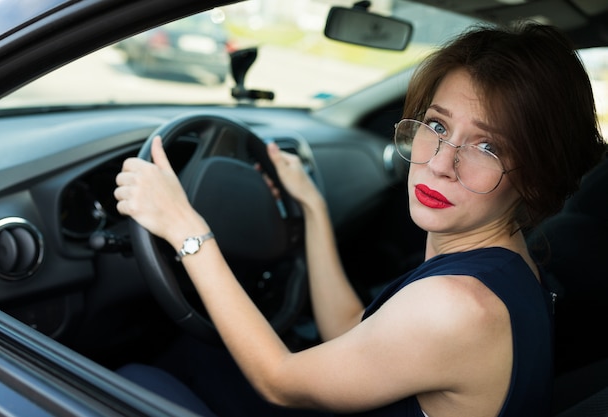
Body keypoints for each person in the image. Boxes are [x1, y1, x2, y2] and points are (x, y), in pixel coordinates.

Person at [113, 22, 605, 417]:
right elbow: (353, 328)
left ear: (536, 178)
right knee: (197, 356)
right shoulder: (507, 265)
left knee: (132, 379)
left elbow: (280, 382)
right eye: (436, 125)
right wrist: (311, 208)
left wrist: (186, 229)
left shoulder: (458, 307)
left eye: (487, 146)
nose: (437, 162)